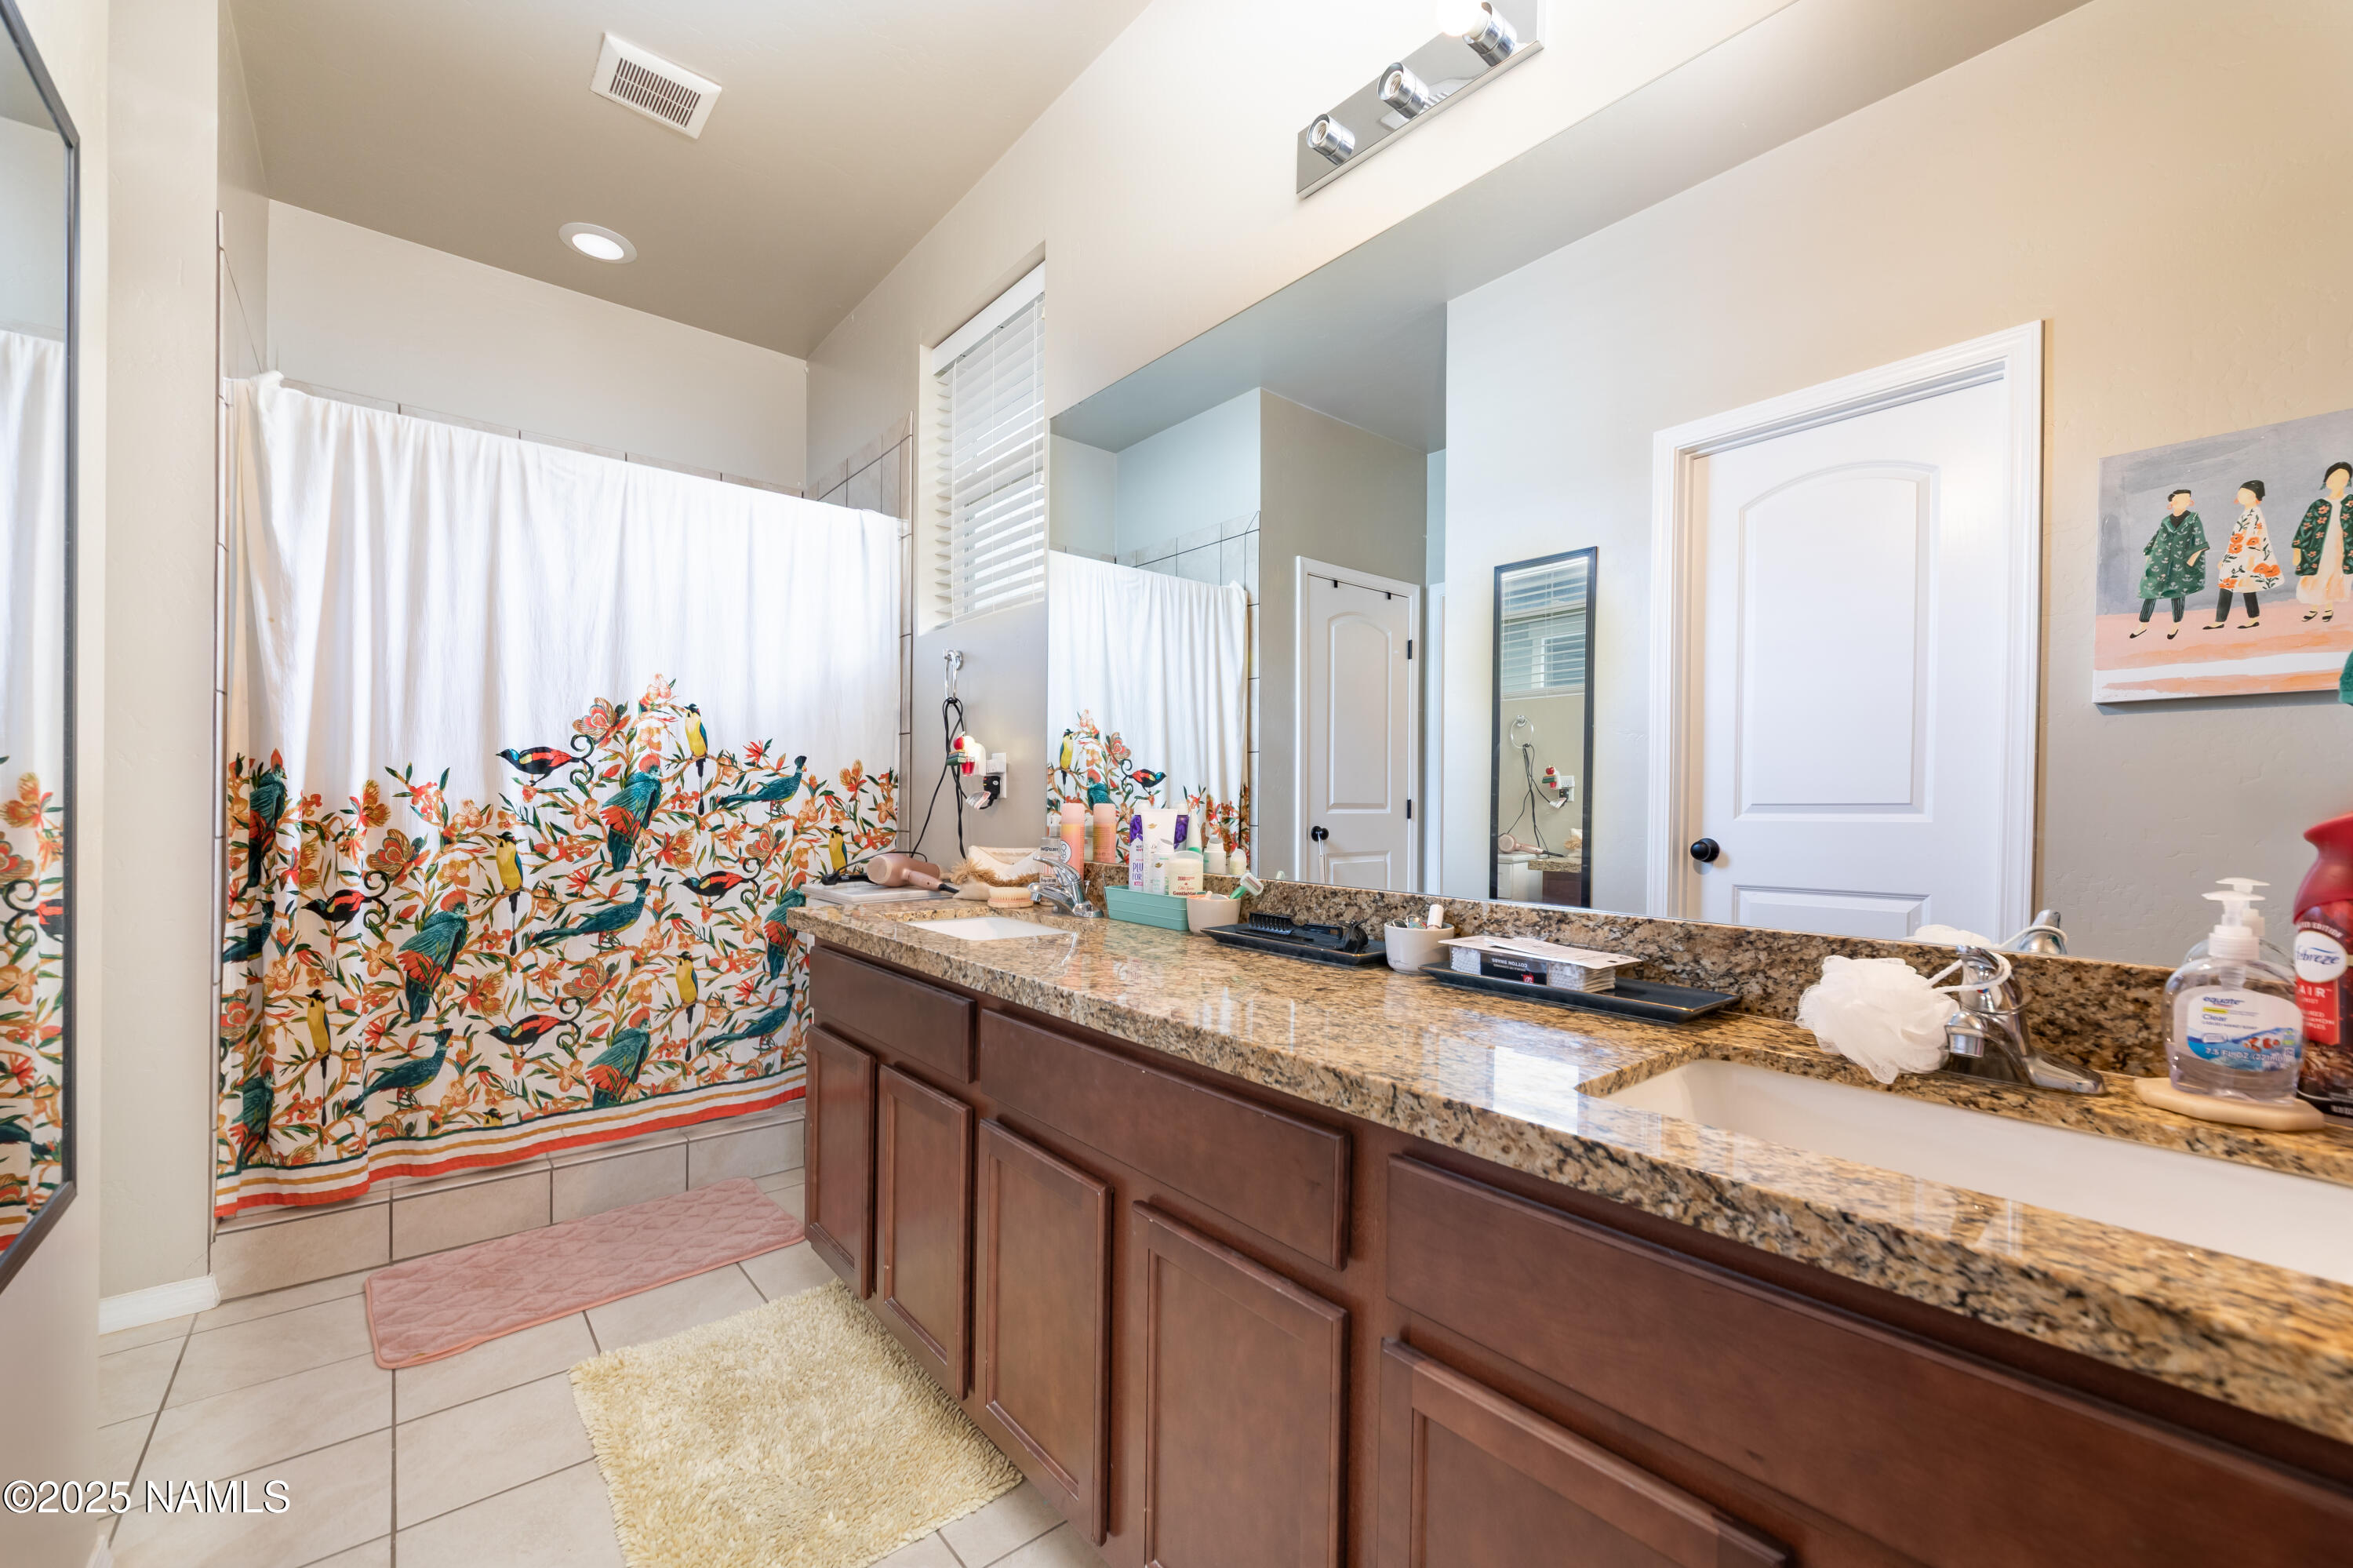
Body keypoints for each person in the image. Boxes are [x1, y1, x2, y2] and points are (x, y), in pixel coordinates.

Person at [2131, 487, 2206, 638]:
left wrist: (2191, 562)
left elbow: (2200, 541)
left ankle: (2175, 625)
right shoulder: (2165, 521)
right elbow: (2156, 538)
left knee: (2178, 592)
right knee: (2151, 591)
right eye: (2177, 500)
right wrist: (2149, 554)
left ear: (2190, 502)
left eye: (2185, 499)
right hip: (2160, 561)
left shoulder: (2193, 518)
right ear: (2171, 503)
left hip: (2181, 561)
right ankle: (2143, 625)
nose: (2180, 502)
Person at [2208, 480, 2278, 630]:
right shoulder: (2247, 513)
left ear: (2254, 497)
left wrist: (2251, 560)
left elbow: (2257, 537)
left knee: (2243, 586)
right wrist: (2225, 558)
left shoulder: (2255, 514)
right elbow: (2236, 540)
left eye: (2245, 494)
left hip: (2247, 557)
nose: (2240, 496)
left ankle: (2248, 619)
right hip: (2237, 556)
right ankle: (2224, 620)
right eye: (2240, 493)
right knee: (2233, 585)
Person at [2294, 460, 2353, 624]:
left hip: (2341, 549)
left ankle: (2328, 608)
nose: (2338, 482)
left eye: (2343, 478)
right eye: (2334, 478)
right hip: (2317, 549)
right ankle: (2313, 608)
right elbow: (2305, 528)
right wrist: (2297, 550)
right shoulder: (2318, 505)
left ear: (2347, 481)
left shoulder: (2350, 502)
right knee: (2315, 577)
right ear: (2327, 480)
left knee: (2333, 577)